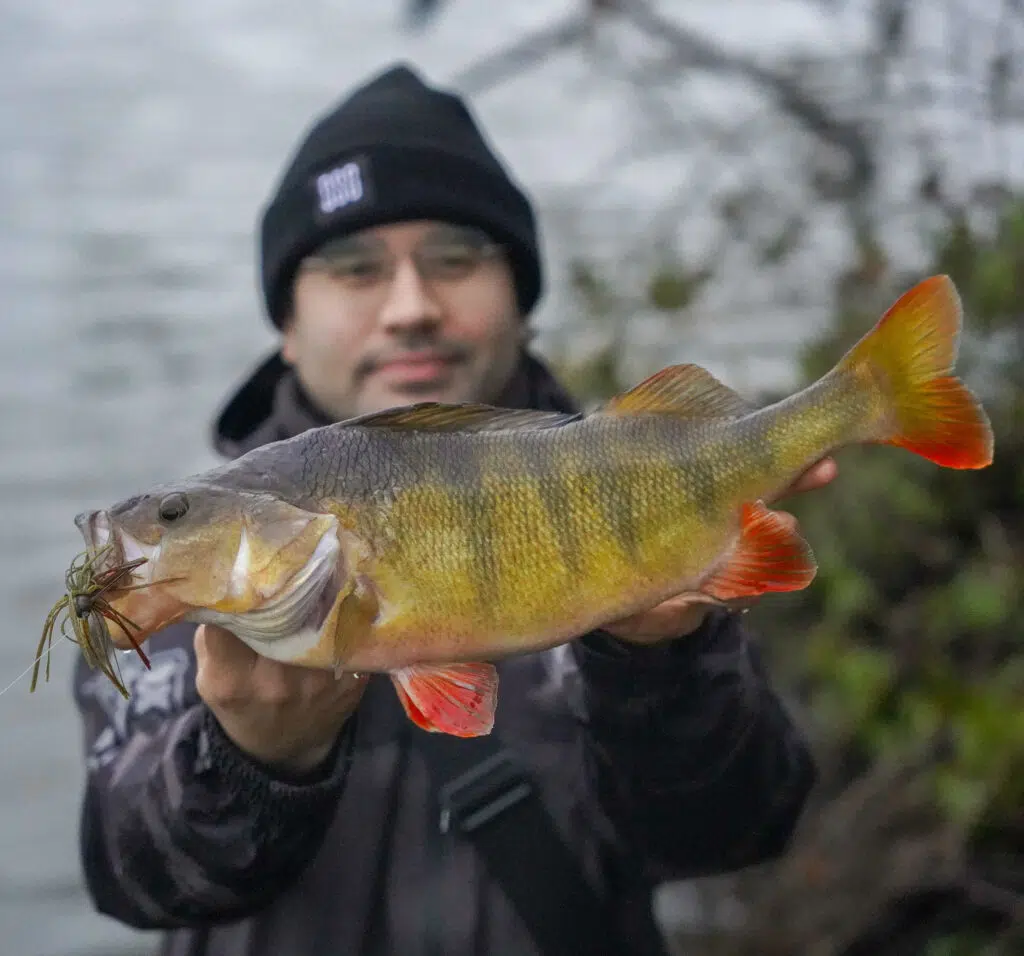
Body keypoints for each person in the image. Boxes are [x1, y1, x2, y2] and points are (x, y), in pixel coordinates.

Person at [73, 62, 833, 956]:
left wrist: (663, 664)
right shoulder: (198, 558)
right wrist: (250, 761)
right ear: (287, 316)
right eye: (354, 268)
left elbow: (738, 831)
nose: (410, 307)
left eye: (456, 258)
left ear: (519, 293)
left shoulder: (639, 488)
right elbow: (129, 875)